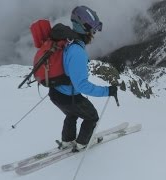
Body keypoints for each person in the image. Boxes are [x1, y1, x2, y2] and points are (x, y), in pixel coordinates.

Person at [48, 5, 118, 152]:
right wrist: (107, 91)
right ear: (83, 28)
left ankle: (67, 141)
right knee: (91, 117)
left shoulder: (67, 41)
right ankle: (82, 144)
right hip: (69, 96)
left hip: (56, 93)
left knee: (72, 113)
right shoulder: (77, 52)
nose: (93, 34)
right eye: (92, 30)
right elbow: (82, 86)